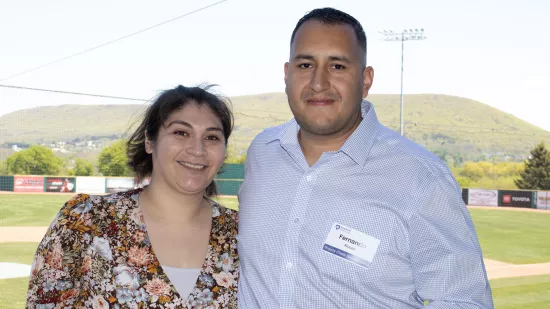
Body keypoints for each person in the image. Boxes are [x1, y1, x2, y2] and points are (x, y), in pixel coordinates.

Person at [237, 7, 493, 308]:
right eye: (306, 64)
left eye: (338, 66)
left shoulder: (421, 179)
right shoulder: (262, 152)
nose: (318, 83)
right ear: (287, 74)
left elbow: (463, 301)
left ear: (366, 79)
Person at [27, 85, 239, 308]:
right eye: (181, 132)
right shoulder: (85, 220)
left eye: (212, 137)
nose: (198, 149)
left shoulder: (241, 234)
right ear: (150, 141)